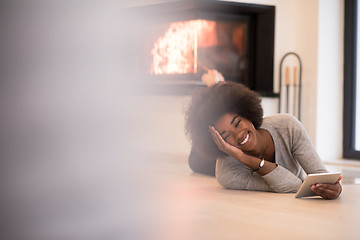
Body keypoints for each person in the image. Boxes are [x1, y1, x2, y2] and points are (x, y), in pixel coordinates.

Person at [185, 82, 342, 200]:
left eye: (238, 123)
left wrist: (335, 188)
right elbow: (293, 187)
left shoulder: (287, 126)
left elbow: (320, 176)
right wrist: (242, 158)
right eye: (226, 137)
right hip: (219, 162)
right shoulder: (226, 173)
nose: (238, 135)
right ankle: (200, 150)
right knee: (196, 162)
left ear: (246, 114)